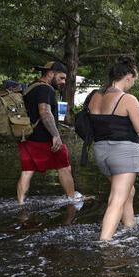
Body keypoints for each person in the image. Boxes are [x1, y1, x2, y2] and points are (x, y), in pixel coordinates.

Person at [88, 56, 139, 241]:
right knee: (116, 199)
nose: (133, 84)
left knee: (128, 192)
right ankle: (105, 243)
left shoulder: (95, 97)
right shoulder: (128, 99)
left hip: (101, 152)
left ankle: (130, 227)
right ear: (128, 77)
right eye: (134, 80)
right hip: (123, 152)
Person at [17, 60, 84, 205]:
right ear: (51, 74)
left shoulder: (30, 88)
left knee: (27, 171)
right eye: (61, 78)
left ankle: (20, 203)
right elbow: (45, 113)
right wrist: (55, 135)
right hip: (43, 139)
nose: (63, 82)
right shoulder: (46, 89)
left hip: (27, 137)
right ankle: (72, 199)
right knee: (64, 167)